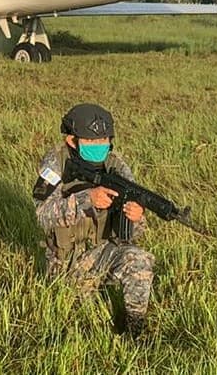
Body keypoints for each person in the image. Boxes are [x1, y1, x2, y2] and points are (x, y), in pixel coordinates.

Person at [32, 102, 156, 335]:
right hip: (65, 262)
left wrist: (137, 217)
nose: (99, 146)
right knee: (82, 323)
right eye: (91, 142)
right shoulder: (55, 163)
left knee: (140, 260)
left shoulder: (116, 165)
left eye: (104, 140)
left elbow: (134, 234)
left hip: (102, 251)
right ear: (72, 141)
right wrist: (86, 199)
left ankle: (135, 329)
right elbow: (42, 215)